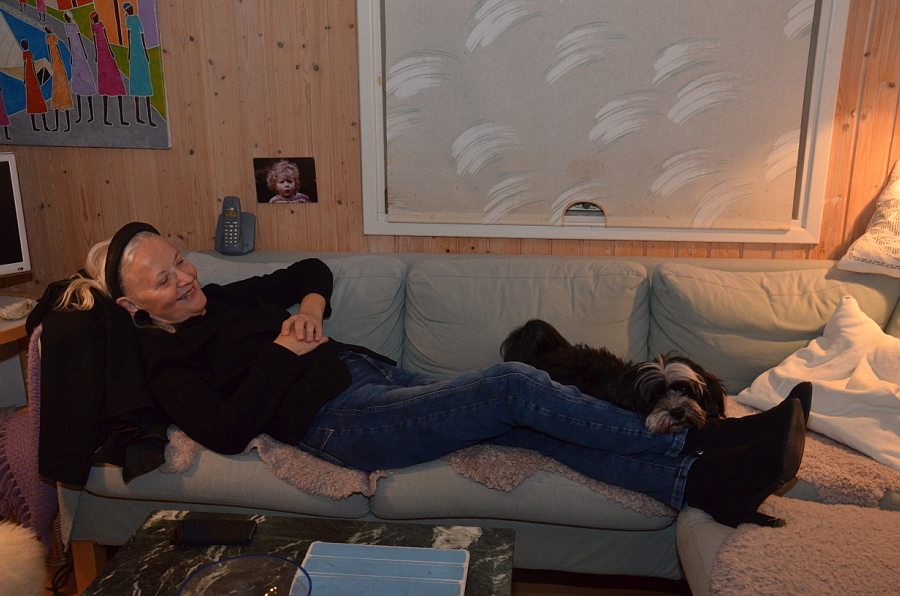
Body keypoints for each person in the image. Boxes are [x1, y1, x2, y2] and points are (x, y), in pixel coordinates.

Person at [53, 222, 809, 528]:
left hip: (371, 377)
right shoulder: (164, 358)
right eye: (162, 280)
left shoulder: (222, 296)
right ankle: (697, 446)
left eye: (180, 260)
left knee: (528, 427)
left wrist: (310, 306)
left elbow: (311, 268)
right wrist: (282, 354)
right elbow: (222, 429)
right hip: (338, 424)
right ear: (133, 304)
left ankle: (698, 484)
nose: (185, 279)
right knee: (511, 386)